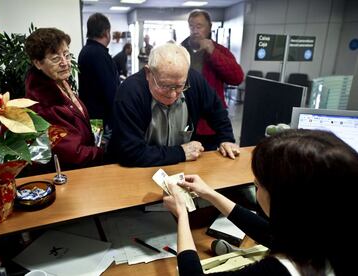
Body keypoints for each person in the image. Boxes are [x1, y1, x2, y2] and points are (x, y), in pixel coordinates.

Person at [163, 129, 356, 276]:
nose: (255, 186)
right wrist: (209, 193)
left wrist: (182, 214)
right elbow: (267, 232)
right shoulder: (326, 235)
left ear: (286, 202)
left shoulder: (278, 270)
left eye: (259, 184)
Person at [109, 43, 239, 167]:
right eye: (164, 85)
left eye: (179, 86)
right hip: (139, 170)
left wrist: (226, 138)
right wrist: (180, 153)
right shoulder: (129, 93)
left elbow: (216, 109)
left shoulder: (194, 80)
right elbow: (129, 153)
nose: (172, 95)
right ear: (149, 73)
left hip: (181, 169)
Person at [24, 28, 103, 170]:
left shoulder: (58, 81)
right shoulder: (44, 103)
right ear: (38, 63)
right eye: (55, 59)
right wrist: (105, 152)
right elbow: (73, 154)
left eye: (66, 55)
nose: (65, 63)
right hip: (70, 174)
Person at [182, 9, 244, 150]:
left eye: (199, 26)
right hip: (184, 118)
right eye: (192, 26)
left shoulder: (219, 50)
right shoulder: (180, 50)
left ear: (209, 27)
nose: (195, 30)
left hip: (210, 120)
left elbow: (237, 78)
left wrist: (213, 52)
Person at [78, 13, 120, 144]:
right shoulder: (100, 55)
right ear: (107, 32)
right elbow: (110, 91)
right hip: (102, 120)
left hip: (91, 117)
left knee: (95, 151)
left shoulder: (85, 51)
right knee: (102, 154)